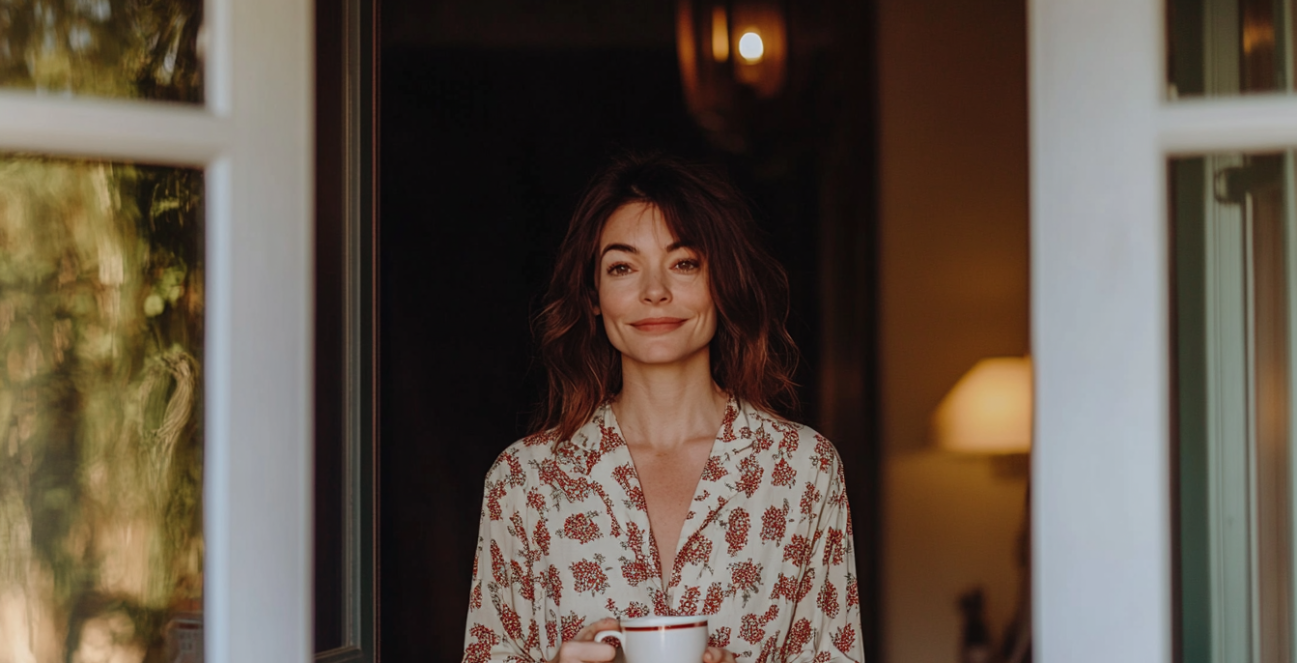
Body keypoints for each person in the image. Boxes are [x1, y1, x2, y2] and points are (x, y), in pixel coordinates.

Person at [462, 153, 865, 663]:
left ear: (721, 281)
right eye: (623, 267)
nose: (654, 292)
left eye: (684, 263)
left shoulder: (804, 469)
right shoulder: (523, 482)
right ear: (593, 295)